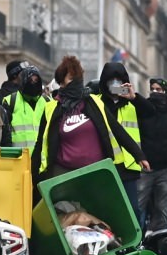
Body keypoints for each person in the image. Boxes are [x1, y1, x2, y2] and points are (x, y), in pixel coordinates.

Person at [32, 56, 147, 187]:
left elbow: (117, 129)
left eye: (78, 78)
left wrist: (139, 156)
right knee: (63, 207)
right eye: (71, 79)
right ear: (61, 82)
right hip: (63, 174)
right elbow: (40, 142)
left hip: (95, 173)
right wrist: (32, 173)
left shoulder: (94, 102)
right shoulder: (51, 108)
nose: (76, 82)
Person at [97, 62, 153, 218]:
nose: (115, 85)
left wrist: (134, 97)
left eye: (118, 81)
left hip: (128, 166)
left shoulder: (132, 104)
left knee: (132, 210)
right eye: (111, 81)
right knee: (106, 209)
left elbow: (151, 112)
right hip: (104, 164)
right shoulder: (96, 102)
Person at [134, 78, 167, 232]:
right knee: (139, 207)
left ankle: (158, 240)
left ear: (165, 91)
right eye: (152, 89)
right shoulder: (144, 109)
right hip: (145, 167)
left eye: (158, 90)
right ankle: (137, 239)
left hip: (165, 169)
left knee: (161, 210)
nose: (155, 93)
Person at [2, 66, 47, 152]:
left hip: (41, 160)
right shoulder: (10, 101)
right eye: (30, 80)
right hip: (18, 159)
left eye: (36, 80)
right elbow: (5, 134)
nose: (33, 83)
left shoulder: (47, 102)